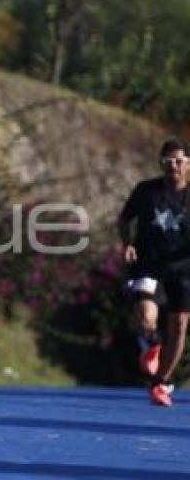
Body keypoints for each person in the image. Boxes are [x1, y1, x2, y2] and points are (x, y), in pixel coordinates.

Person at [118, 138, 190, 406]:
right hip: (149, 263)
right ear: (161, 163)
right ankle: (152, 341)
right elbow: (125, 219)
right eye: (168, 161)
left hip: (183, 270)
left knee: (180, 324)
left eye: (179, 161)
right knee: (147, 316)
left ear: (189, 164)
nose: (174, 166)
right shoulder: (146, 192)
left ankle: (160, 382)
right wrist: (126, 244)